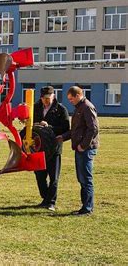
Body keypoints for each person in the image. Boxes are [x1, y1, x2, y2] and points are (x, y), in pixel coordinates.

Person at [57, 86, 99, 216]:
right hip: (80, 148)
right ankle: (84, 207)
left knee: (86, 178)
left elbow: (93, 129)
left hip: (86, 149)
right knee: (82, 178)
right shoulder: (79, 108)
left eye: (71, 99)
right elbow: (76, 130)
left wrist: (83, 145)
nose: (70, 101)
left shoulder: (87, 107)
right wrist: (63, 137)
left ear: (77, 95)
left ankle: (87, 208)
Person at [32, 86, 69, 211]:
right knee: (39, 175)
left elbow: (65, 128)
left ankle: (51, 202)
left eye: (48, 98)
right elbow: (30, 123)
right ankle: (45, 199)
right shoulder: (35, 107)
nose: (46, 101)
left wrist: (49, 127)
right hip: (39, 147)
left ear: (53, 96)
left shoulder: (61, 109)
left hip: (54, 148)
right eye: (43, 98)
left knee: (54, 177)